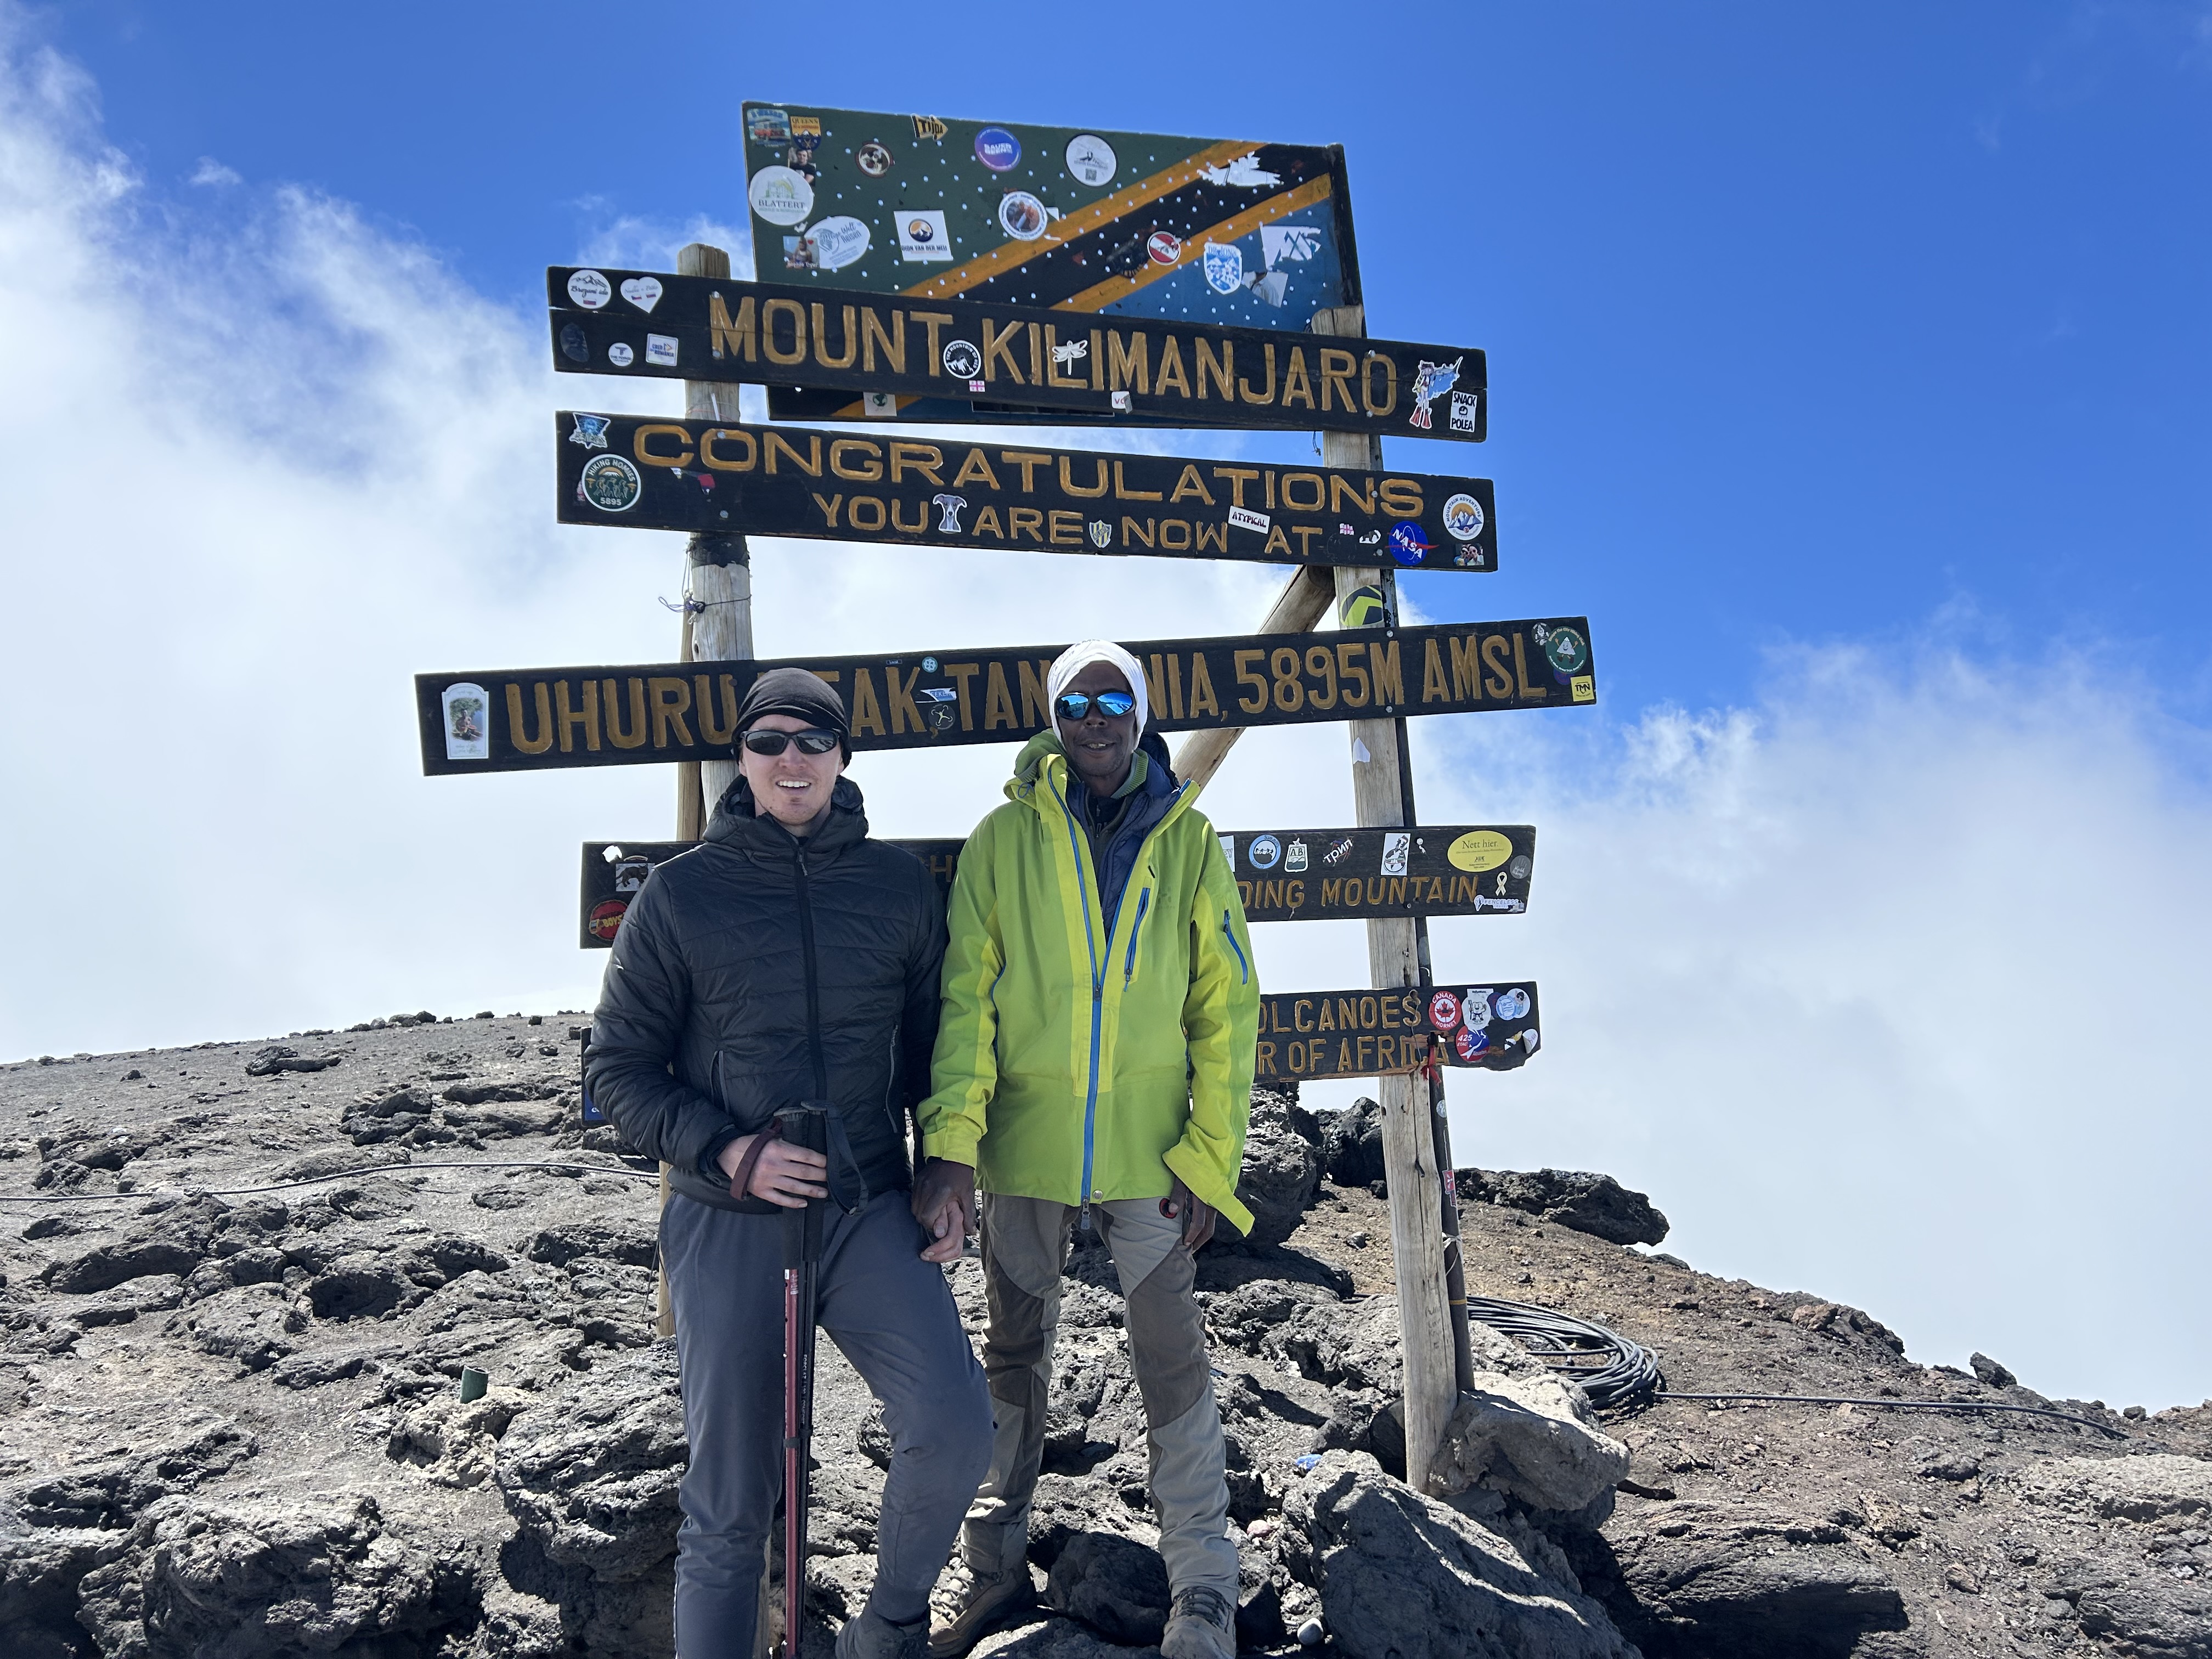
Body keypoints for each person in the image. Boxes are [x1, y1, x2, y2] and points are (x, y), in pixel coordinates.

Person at [586, 668, 994, 1659]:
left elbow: (942, 1043)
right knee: (731, 1501)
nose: (791, 760)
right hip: (728, 1221)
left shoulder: (900, 888)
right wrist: (729, 1151)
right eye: (769, 742)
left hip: (864, 1208)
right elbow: (615, 1072)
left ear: (844, 755)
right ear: (742, 760)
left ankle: (885, 1633)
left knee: (954, 1427)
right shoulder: (681, 894)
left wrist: (948, 1163)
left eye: (812, 740)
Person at [911, 641, 1260, 1659]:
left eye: (1114, 700)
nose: (1095, 717)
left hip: (1152, 1159)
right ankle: (989, 1572)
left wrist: (1210, 1158)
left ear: (1143, 716)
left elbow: (1225, 1008)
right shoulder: (1001, 840)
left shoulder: (1190, 844)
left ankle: (1203, 1588)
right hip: (1022, 1152)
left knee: (1173, 1363)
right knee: (1011, 1356)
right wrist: (954, 1149)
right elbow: (966, 1004)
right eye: (1076, 701)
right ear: (1054, 716)